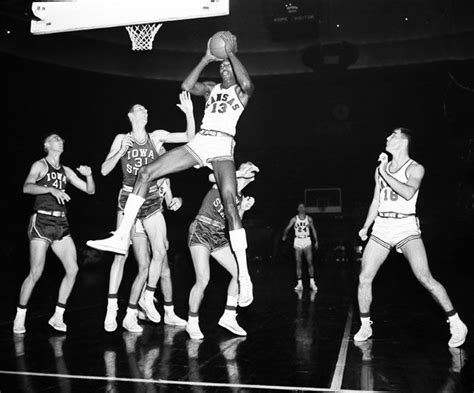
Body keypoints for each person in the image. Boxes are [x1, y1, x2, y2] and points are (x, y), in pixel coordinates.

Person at [87, 31, 256, 306]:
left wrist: (230, 52)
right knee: (146, 172)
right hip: (202, 140)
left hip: (223, 146)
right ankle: (120, 236)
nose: (224, 66)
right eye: (222, 64)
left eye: (228, 65)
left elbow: (248, 83)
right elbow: (186, 85)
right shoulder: (212, 88)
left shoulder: (239, 91)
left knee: (230, 204)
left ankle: (245, 276)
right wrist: (206, 58)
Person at [354, 127, 468, 347]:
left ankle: (455, 322)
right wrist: (366, 226)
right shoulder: (381, 169)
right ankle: (365, 324)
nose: (387, 137)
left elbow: (408, 192)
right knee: (364, 277)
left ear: (403, 141)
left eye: (392, 135)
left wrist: (385, 173)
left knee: (424, 277)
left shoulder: (416, 168)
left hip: (406, 226)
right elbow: (376, 201)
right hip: (383, 227)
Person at [99, 92, 194, 333]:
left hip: (151, 199)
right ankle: (112, 310)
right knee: (121, 254)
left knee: (161, 250)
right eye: (140, 109)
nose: (145, 111)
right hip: (129, 197)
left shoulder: (157, 138)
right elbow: (104, 170)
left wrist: (190, 113)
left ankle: (147, 298)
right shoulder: (122, 138)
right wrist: (121, 151)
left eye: (146, 110)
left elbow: (189, 138)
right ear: (131, 116)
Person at [13, 134, 95, 334]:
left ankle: (57, 316)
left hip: (61, 222)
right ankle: (20, 317)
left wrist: (89, 175)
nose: (60, 141)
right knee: (36, 272)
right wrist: (50, 189)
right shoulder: (39, 165)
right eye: (55, 139)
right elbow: (26, 187)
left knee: (73, 269)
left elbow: (89, 190)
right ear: (47, 145)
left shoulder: (65, 170)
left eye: (61, 139)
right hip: (42, 221)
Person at [185, 162, 259, 340]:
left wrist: (242, 209)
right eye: (247, 166)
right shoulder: (223, 182)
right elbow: (211, 176)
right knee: (203, 279)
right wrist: (239, 172)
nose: (251, 169)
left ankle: (229, 316)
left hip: (218, 234)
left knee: (240, 274)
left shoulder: (240, 198)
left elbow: (234, 223)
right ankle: (192, 322)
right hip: (201, 229)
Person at [282, 203, 319, 292]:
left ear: (305, 209)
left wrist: (316, 240)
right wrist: (284, 235)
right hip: (298, 240)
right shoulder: (294, 219)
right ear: (298, 209)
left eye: (303, 207)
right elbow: (287, 227)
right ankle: (299, 284)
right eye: (300, 207)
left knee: (309, 262)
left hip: (307, 240)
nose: (302, 208)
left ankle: (312, 282)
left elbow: (313, 229)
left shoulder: (309, 219)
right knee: (298, 262)